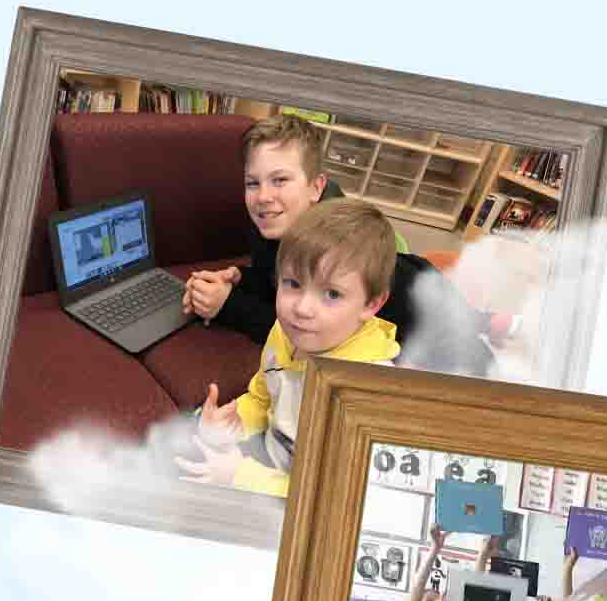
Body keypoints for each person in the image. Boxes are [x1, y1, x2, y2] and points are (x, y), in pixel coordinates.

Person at [180, 114, 494, 376]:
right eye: (253, 182)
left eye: (280, 180)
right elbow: (279, 283)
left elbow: (311, 331)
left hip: (433, 331)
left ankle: (484, 322)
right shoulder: (270, 221)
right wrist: (240, 278)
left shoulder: (343, 251)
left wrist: (229, 306)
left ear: (316, 187)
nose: (263, 196)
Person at [175, 199, 403, 496]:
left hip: (307, 497)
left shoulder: (365, 395)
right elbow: (261, 397)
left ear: (372, 304)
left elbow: (333, 494)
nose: (302, 309)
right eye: (293, 284)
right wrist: (232, 424)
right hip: (272, 461)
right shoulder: (286, 331)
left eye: (332, 294)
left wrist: (241, 476)